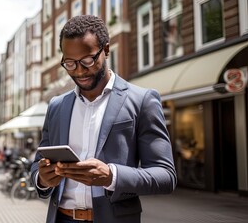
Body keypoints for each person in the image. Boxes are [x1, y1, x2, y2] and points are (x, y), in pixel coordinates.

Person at [30, 15, 177, 223]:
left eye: (88, 60)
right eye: (70, 63)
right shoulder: (56, 106)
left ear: (106, 50)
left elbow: (166, 176)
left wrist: (112, 176)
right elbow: (37, 164)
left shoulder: (142, 100)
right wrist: (42, 179)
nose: (79, 71)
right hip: (61, 218)